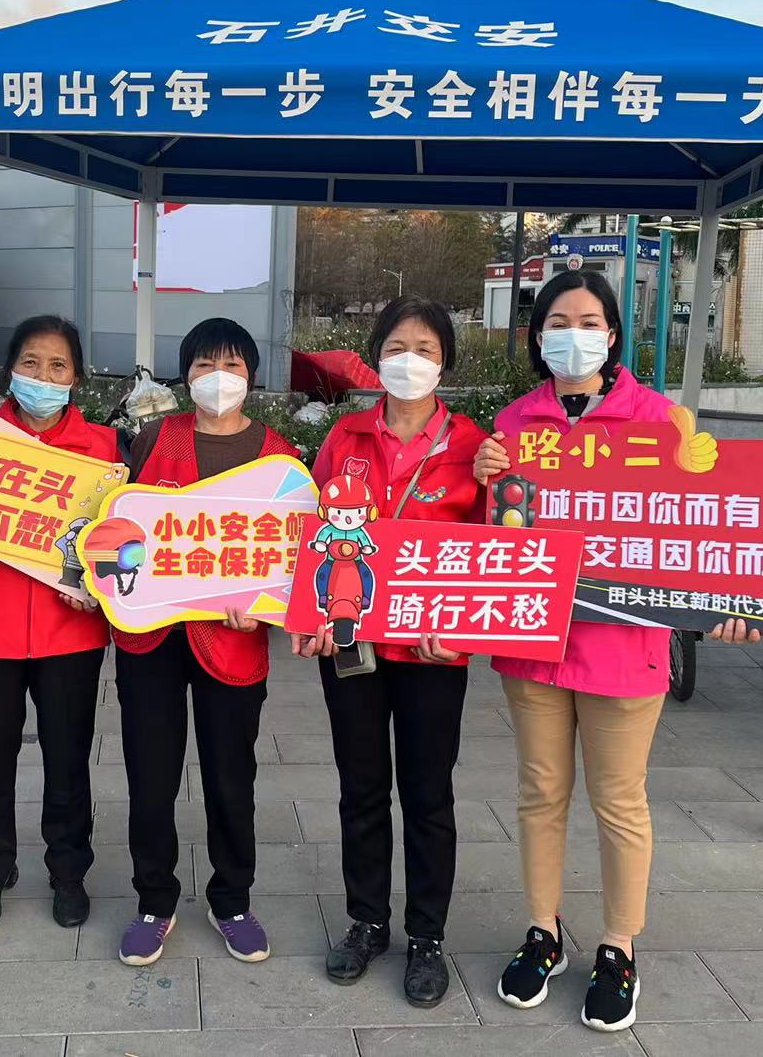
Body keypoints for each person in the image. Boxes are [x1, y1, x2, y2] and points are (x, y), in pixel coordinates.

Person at [471, 269, 759, 1031]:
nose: (573, 335)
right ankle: (542, 930)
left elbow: (705, 524)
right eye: (557, 322)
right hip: (535, 642)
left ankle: (618, 945)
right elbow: (494, 537)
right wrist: (483, 480)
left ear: (613, 334)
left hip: (624, 644)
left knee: (619, 800)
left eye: (589, 322)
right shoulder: (514, 423)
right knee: (540, 792)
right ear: (537, 336)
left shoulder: (662, 421)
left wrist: (726, 604)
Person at [294, 295, 488, 1009]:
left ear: (446, 363)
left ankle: (427, 936)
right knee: (362, 786)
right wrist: (310, 614)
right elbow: (314, 532)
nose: (411, 361)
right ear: (376, 357)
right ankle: (367, 921)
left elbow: (494, 550)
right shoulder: (345, 436)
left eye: (426, 350)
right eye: (398, 347)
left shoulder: (475, 446)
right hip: (352, 644)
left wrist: (464, 629)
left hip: (434, 652)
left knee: (429, 794)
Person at [113, 318, 299, 968]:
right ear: (185, 373)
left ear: (252, 376)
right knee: (150, 776)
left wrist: (269, 610)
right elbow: (118, 527)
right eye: (203, 365)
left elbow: (295, 556)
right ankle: (153, 901)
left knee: (230, 778)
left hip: (233, 642)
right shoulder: (154, 438)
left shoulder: (278, 457)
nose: (218, 378)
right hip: (152, 638)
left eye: (232, 366)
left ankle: (233, 900)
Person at [0, 316, 116, 933]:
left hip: (69, 629)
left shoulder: (105, 450)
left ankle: (68, 870)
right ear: (10, 370)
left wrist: (102, 587)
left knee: (68, 758)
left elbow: (123, 543)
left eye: (58, 366)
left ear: (76, 378)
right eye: (31, 363)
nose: (44, 376)